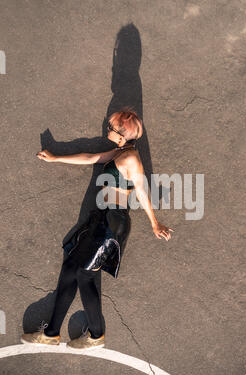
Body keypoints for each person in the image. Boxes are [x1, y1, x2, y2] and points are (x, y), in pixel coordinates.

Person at [21, 109, 174, 349]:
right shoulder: (120, 151)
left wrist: (154, 223)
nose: (107, 129)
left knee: (85, 274)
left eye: (111, 128)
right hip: (101, 217)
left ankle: (96, 335)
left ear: (123, 136)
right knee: (70, 267)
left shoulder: (131, 158)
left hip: (112, 222)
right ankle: (51, 333)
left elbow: (142, 190)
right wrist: (55, 157)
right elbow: (90, 157)